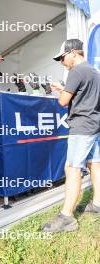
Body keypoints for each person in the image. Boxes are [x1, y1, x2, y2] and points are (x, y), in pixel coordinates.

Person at [42, 39, 100, 232]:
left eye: (62, 58)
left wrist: (61, 92)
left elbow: (62, 102)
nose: (62, 62)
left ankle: (67, 217)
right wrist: (64, 88)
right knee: (95, 164)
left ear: (73, 53)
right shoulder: (94, 71)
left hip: (82, 127)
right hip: (95, 125)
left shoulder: (76, 71)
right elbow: (86, 95)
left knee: (72, 168)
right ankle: (97, 204)